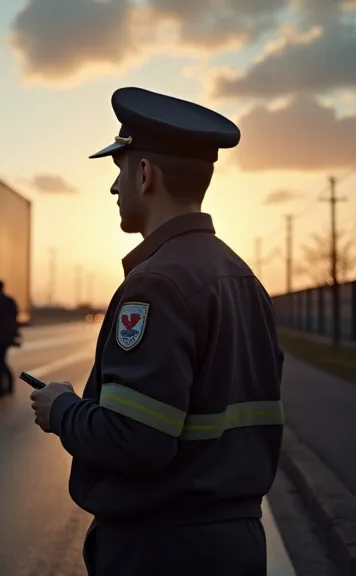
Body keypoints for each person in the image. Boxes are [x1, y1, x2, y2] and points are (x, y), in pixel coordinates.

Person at [27, 87, 284, 576]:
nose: (113, 188)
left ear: (144, 175)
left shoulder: (156, 283)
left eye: (119, 170)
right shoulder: (242, 278)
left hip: (163, 549)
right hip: (237, 544)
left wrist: (61, 409)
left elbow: (135, 439)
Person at [0, 279, 19, 398]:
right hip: (6, 335)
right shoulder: (10, 301)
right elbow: (14, 319)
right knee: (0, 361)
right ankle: (8, 385)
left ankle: (1, 388)